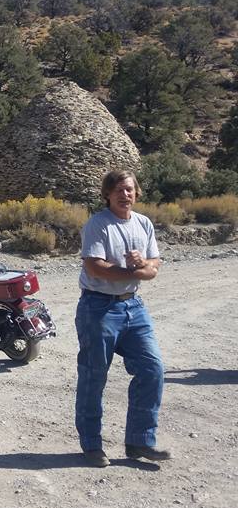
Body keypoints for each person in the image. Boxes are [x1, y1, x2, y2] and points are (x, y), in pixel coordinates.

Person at [75, 170, 171, 467]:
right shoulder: (98, 225)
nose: (124, 194)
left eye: (129, 189)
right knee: (94, 376)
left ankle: (140, 442)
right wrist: (134, 271)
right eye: (118, 190)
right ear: (107, 194)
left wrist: (143, 265)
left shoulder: (143, 224)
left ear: (136, 193)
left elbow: (154, 267)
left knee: (152, 369)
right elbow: (95, 268)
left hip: (134, 306)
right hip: (98, 308)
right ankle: (92, 444)